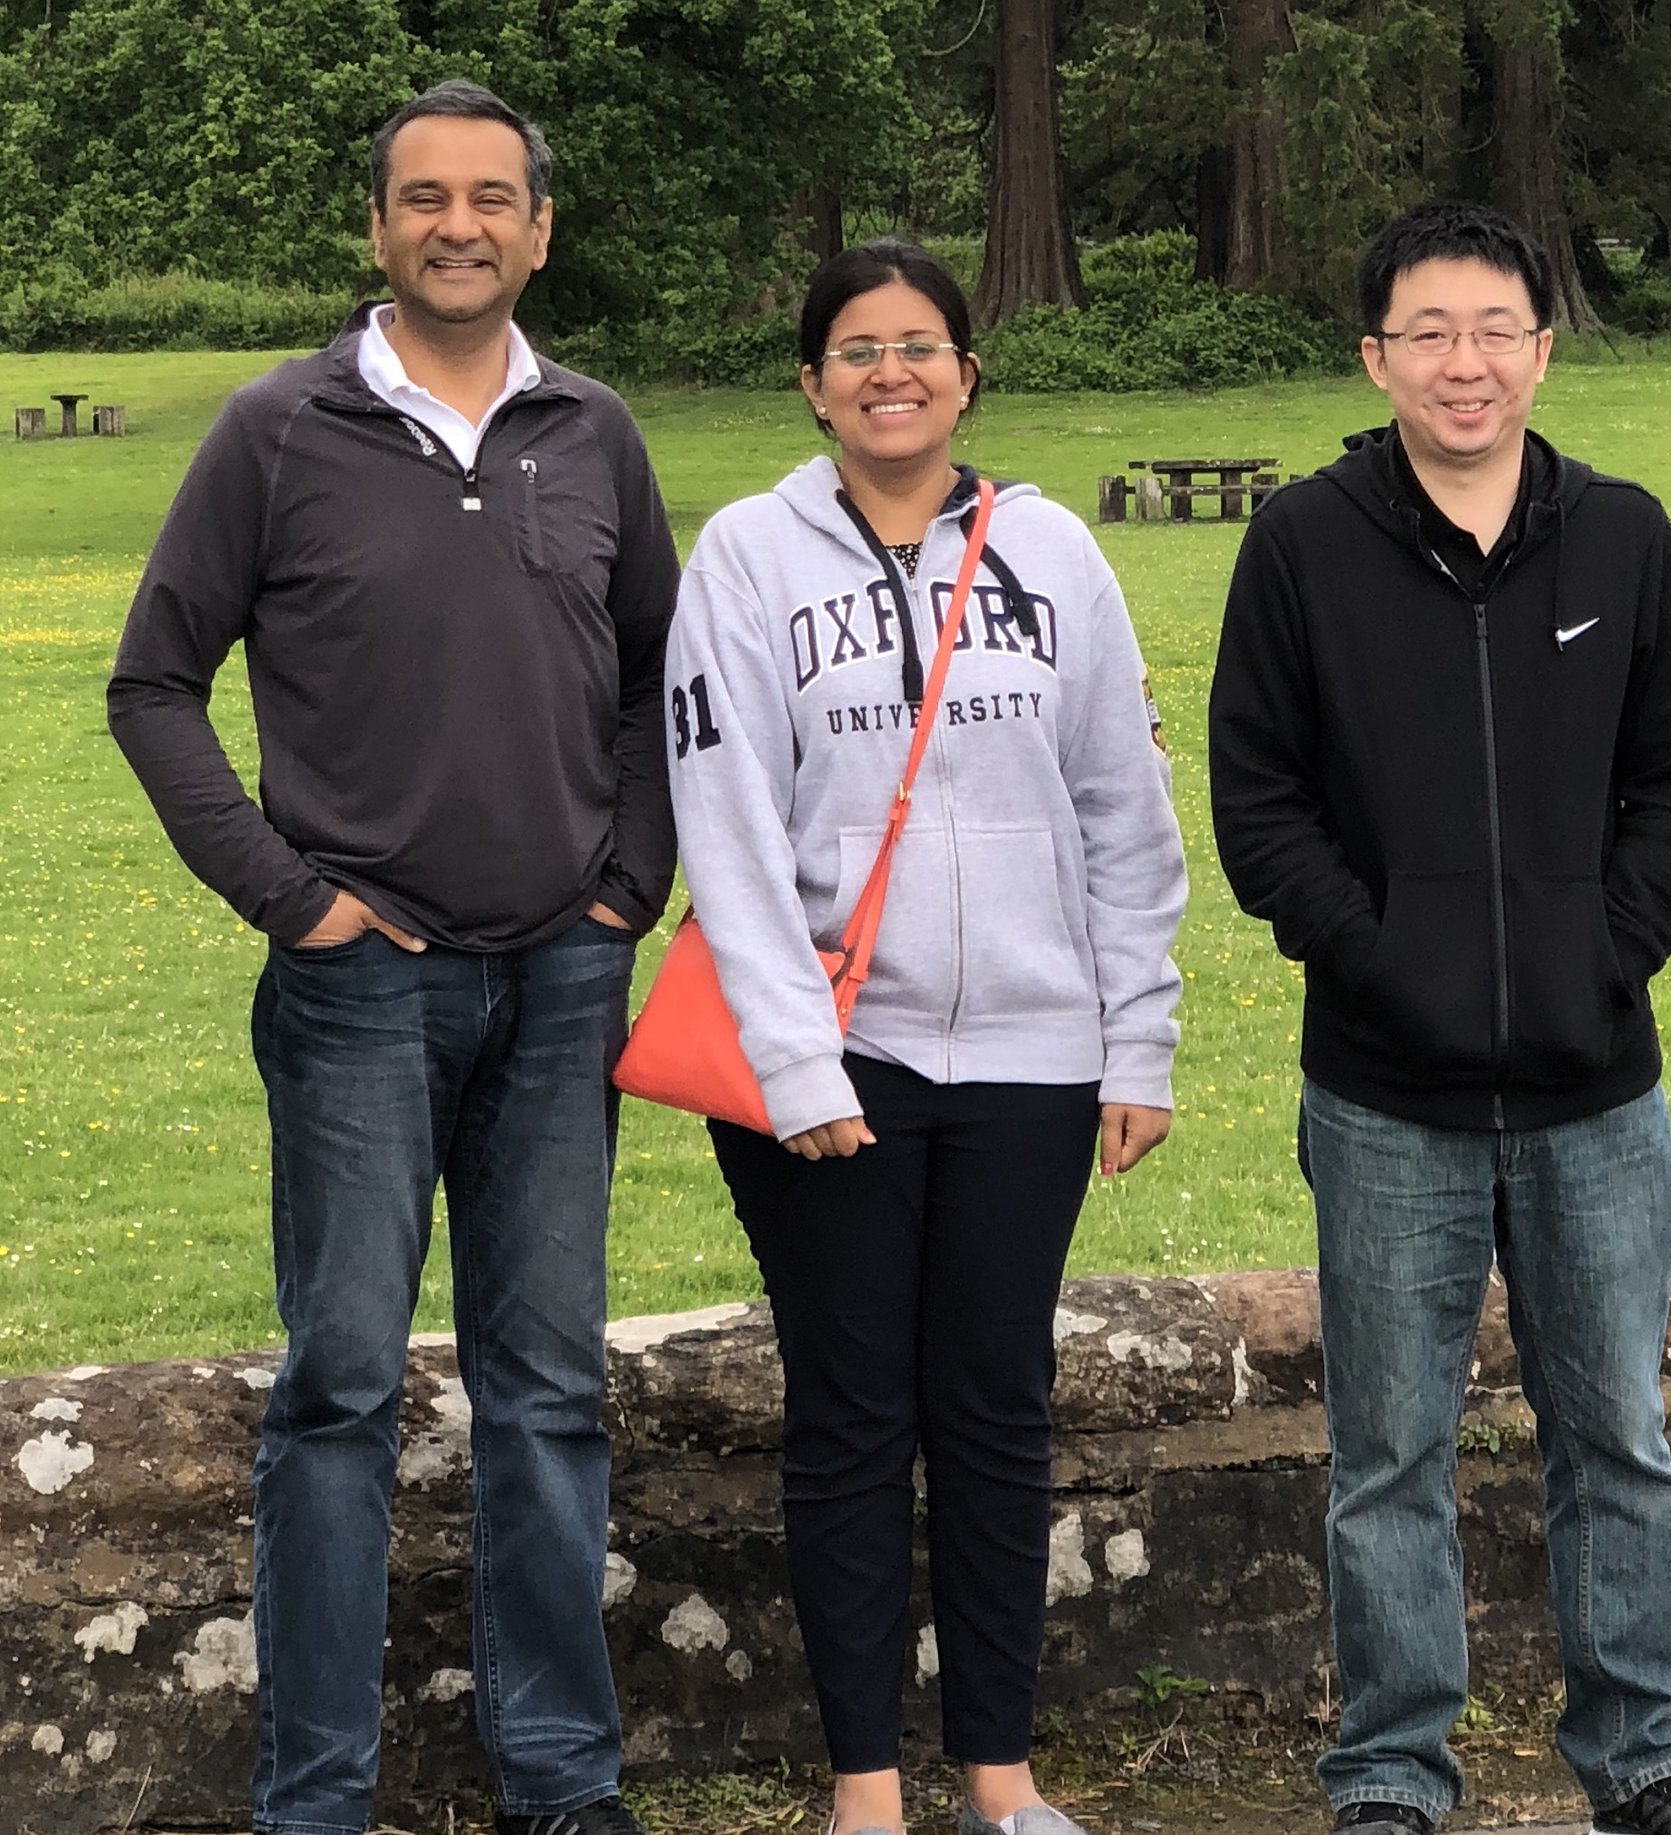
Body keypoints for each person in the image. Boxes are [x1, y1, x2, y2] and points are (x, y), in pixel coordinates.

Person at [107, 80, 677, 1835]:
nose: (459, 223)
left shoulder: (593, 432)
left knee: (549, 1393)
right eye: (424, 198)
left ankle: (561, 1782)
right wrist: (293, 899)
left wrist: (626, 883)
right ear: (377, 229)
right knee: (342, 1390)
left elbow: (668, 683)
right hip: (359, 984)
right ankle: (317, 1797)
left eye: (493, 198)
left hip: (563, 979)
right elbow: (152, 685)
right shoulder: (277, 429)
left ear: (539, 228)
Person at [1208, 201, 1671, 1835]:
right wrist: (1381, 961)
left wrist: (1603, 959)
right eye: (1428, 332)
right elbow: (1261, 806)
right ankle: (1389, 1773)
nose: (1465, 362)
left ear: (1542, 347)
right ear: (1375, 357)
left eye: (1494, 328)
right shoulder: (1303, 543)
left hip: (1597, 1087)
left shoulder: (1626, 536)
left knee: (1620, 1444)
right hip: (1384, 1096)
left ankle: (1647, 1758)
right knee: (1387, 1460)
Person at [665, 239, 1186, 1835]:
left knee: (993, 1408)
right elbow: (727, 825)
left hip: (1033, 1056)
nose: (893, 372)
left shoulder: (1050, 553)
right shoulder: (748, 557)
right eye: (857, 348)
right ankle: (864, 1788)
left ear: (968, 372)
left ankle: (1002, 1778)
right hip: (834, 1054)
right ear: (813, 382)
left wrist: (1137, 1033)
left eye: (923, 345)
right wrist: (797, 1066)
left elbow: (1122, 801)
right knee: (848, 1412)